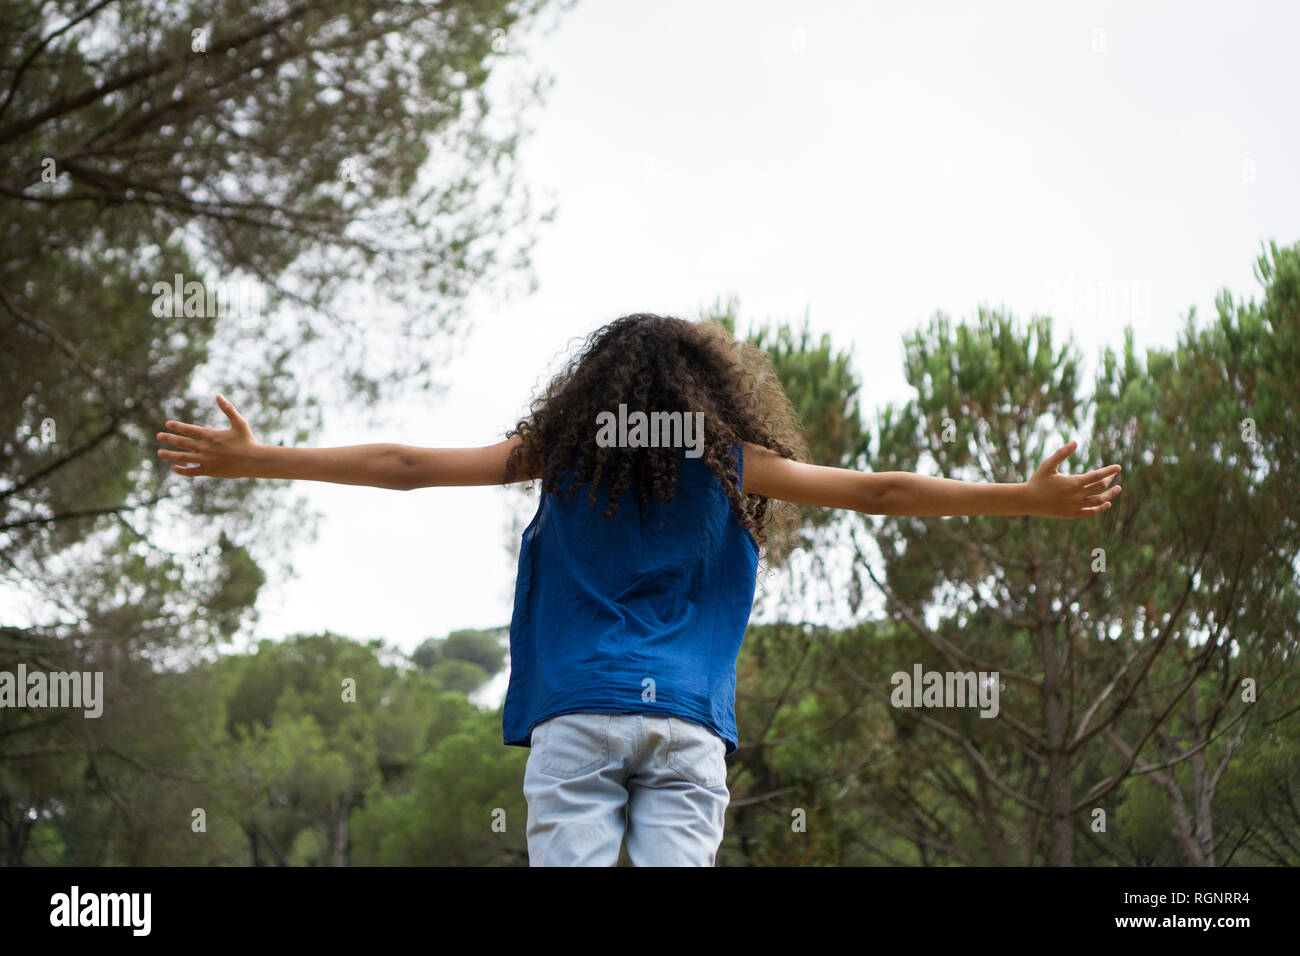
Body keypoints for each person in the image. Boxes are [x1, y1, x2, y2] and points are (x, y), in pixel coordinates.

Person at [156, 312, 1122, 866]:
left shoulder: (562, 451)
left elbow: (407, 463)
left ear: (594, 388)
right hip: (688, 725)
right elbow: (879, 491)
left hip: (578, 716)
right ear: (711, 392)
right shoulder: (738, 462)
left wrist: (261, 459)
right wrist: (1026, 500)